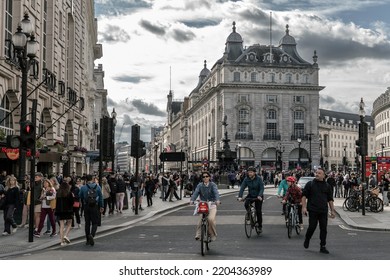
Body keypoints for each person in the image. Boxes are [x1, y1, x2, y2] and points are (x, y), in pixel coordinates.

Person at [302, 167, 335, 254]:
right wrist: (304, 207)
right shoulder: (310, 184)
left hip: (323, 210)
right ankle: (307, 238)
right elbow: (304, 196)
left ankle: (322, 246)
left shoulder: (327, 186)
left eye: (319, 173)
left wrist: (332, 211)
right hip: (313, 209)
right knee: (312, 227)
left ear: (324, 175)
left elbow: (330, 199)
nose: (317, 174)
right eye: (316, 173)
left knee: (323, 229)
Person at [190, 171, 220, 241]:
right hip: (203, 204)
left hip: (212, 204)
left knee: (211, 219)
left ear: (209, 177)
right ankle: (198, 235)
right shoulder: (200, 185)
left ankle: (212, 234)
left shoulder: (213, 185)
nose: (205, 178)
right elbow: (196, 192)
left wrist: (217, 200)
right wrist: (192, 200)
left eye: (207, 176)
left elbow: (216, 193)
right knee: (201, 219)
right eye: (203, 177)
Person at [238, 166, 265, 233]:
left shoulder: (258, 179)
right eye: (248, 172)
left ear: (254, 173)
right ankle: (249, 214)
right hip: (250, 195)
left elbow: (262, 188)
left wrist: (259, 195)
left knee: (258, 211)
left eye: (251, 172)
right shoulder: (246, 179)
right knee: (246, 204)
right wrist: (240, 196)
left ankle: (259, 226)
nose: (249, 173)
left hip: (258, 196)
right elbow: (242, 188)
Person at [79, 174, 103, 246]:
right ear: (92, 179)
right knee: (95, 223)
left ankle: (87, 240)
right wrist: (101, 206)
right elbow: (101, 198)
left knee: (87, 223)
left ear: (86, 180)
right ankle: (92, 235)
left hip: (86, 206)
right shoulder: (98, 187)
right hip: (95, 206)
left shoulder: (83, 187)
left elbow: (80, 196)